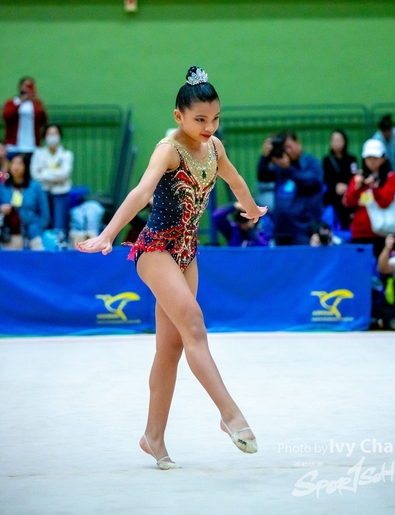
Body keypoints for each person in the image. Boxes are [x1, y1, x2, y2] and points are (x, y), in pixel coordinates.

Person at [77, 66, 267, 469]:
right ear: (179, 116)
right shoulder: (168, 149)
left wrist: (252, 209)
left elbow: (235, 181)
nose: (209, 127)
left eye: (215, 118)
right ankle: (230, 414)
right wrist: (108, 234)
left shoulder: (215, 148)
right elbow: (140, 193)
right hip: (155, 251)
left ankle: (153, 436)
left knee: (170, 348)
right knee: (194, 325)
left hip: (186, 254)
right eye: (200, 119)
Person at [257, 131, 323, 245]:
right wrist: (265, 157)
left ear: (298, 143)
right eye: (284, 148)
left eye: (289, 146)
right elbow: (263, 176)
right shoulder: (280, 166)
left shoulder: (311, 163)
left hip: (303, 229)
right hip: (281, 229)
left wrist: (288, 169)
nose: (287, 151)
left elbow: (312, 182)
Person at [343, 139, 395, 258]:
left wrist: (374, 188)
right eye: (368, 158)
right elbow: (348, 202)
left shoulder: (390, 177)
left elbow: (385, 202)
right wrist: (356, 188)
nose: (372, 161)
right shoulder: (358, 177)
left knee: (382, 266)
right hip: (360, 232)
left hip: (382, 232)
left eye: (375, 158)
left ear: (383, 158)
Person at [0, 153, 50, 250]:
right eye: (13, 163)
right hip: (8, 235)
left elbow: (45, 213)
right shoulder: (3, 187)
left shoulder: (35, 187)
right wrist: (0, 209)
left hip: (32, 234)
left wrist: (38, 230)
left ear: (26, 166)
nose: (16, 167)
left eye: (20, 163)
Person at [30, 124, 73, 237]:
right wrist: (56, 173)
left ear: (60, 135)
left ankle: (59, 244)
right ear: (45, 136)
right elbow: (35, 174)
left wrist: (44, 172)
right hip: (42, 192)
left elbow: (64, 174)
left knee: (59, 226)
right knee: (43, 223)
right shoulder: (38, 154)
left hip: (61, 192)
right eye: (49, 133)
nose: (52, 136)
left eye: (55, 133)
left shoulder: (66, 154)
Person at [2, 77, 47, 161]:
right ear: (20, 87)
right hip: (14, 147)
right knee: (11, 168)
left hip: (32, 147)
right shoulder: (12, 102)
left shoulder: (35, 105)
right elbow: (7, 116)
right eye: (26, 85)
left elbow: (43, 121)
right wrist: (20, 102)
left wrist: (40, 104)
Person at [322, 130, 357, 230]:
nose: (336, 143)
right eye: (334, 140)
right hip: (333, 194)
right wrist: (336, 186)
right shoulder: (326, 160)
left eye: (339, 140)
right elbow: (325, 178)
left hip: (349, 193)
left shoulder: (352, 160)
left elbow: (354, 176)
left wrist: (347, 187)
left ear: (344, 141)